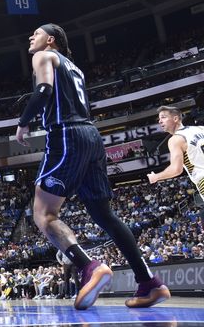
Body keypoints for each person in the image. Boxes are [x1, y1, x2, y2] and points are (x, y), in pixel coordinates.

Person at [14, 23, 169, 310]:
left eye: (34, 33)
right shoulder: (76, 68)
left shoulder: (43, 57)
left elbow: (45, 89)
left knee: (43, 213)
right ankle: (149, 283)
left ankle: (88, 267)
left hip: (66, 136)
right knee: (103, 214)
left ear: (50, 40)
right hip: (91, 136)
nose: (30, 37)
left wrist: (23, 123)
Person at [148, 105, 204, 202]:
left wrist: (156, 177)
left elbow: (176, 169)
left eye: (163, 117)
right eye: (159, 118)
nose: (160, 121)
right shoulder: (201, 129)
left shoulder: (176, 139)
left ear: (175, 118)